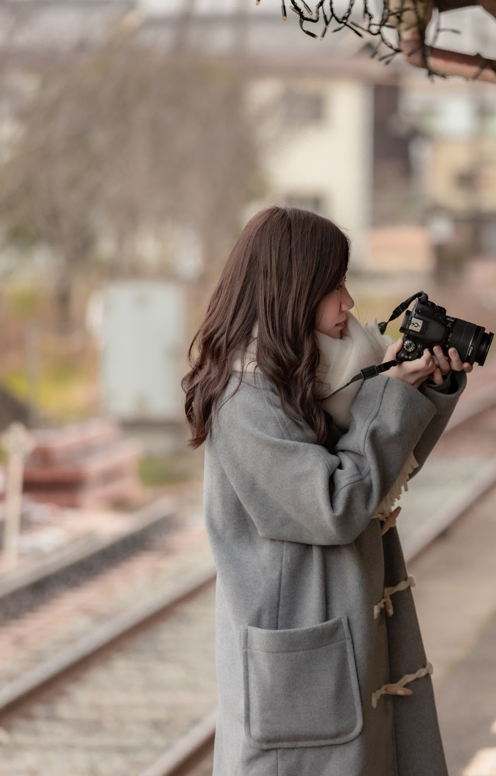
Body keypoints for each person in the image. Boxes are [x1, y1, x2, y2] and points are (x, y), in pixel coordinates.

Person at [183, 207, 472, 776]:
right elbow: (337, 506)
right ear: (291, 292)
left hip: (339, 647)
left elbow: (383, 475)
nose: (349, 303)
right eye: (334, 286)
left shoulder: (305, 378)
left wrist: (420, 389)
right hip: (305, 672)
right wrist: (385, 398)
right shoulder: (246, 398)